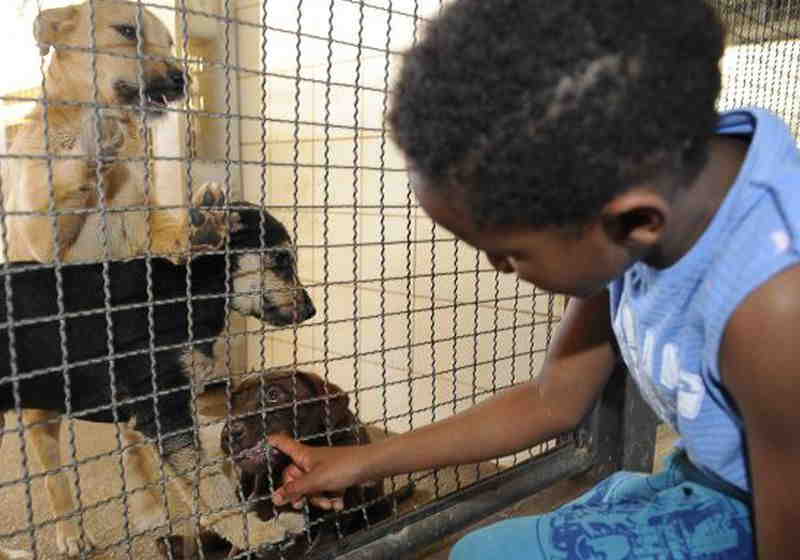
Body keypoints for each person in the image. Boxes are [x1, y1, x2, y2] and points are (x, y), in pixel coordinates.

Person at [267, 0, 800, 557]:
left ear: (632, 219)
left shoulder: (775, 305)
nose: (498, 269)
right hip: (713, 478)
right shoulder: (648, 196)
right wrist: (360, 460)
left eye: (509, 253)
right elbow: (552, 400)